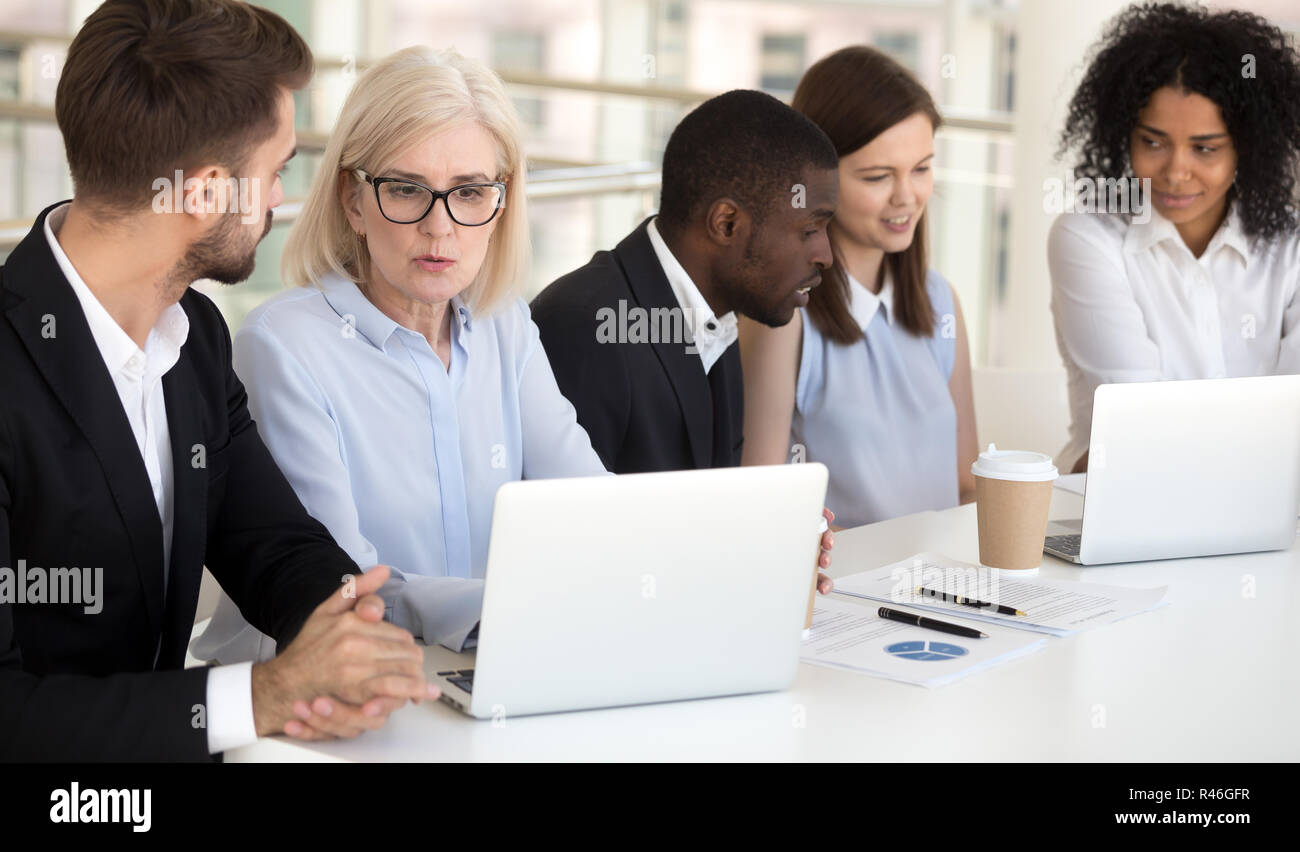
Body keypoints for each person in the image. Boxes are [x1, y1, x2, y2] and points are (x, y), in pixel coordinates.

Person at [0, 0, 438, 761]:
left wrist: (348, 633)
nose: (279, 199)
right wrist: (264, 697)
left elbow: (272, 542)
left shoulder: (193, 334)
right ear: (204, 193)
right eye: (274, 171)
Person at [191, 46, 609, 664]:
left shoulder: (506, 325)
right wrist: (493, 610)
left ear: (501, 203)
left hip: (480, 666)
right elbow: (340, 586)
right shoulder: (284, 344)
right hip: (315, 696)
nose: (440, 228)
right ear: (354, 201)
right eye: (408, 190)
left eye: (469, 192)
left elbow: (592, 510)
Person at [531, 90, 840, 475]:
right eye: (810, 229)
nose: (825, 255)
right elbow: (563, 526)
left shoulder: (718, 317)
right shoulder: (586, 326)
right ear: (726, 223)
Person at [1050, 0, 1300, 473]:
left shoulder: (1290, 249)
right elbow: (1138, 426)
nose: (1174, 172)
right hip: (1121, 505)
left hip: (1269, 513)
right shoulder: (1087, 240)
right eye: (1153, 142)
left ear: (1247, 147)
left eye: (1204, 149)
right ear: (1123, 134)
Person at [738, 46, 978, 529]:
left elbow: (967, 483)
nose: (906, 197)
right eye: (877, 176)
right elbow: (761, 500)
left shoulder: (939, 301)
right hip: (847, 590)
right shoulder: (784, 316)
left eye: (922, 168)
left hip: (942, 587)